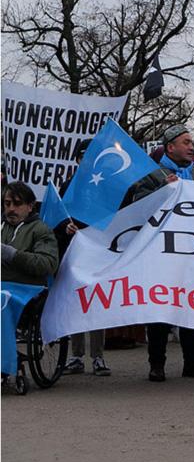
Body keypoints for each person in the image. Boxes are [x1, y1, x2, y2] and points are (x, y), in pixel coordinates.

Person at [130, 124, 194, 383]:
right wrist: (163, 190)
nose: (192, 146)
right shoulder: (152, 176)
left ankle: (193, 362)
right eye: (186, 142)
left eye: (191, 142)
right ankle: (157, 364)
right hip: (161, 253)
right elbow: (138, 209)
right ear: (170, 146)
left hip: (193, 254)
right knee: (161, 309)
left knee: (191, 306)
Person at [58, 139, 111, 376]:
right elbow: (58, 217)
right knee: (76, 304)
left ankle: (98, 356)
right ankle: (76, 356)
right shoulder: (69, 185)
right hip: (74, 251)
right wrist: (65, 227)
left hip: (97, 252)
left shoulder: (107, 186)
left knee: (96, 304)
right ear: (78, 160)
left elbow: (116, 217)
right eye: (83, 158)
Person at [2, 182, 59, 287]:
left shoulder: (41, 230)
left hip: (24, 298)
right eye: (7, 203)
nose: (11, 208)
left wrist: (13, 255)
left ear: (30, 206)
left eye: (18, 203)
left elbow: (48, 264)